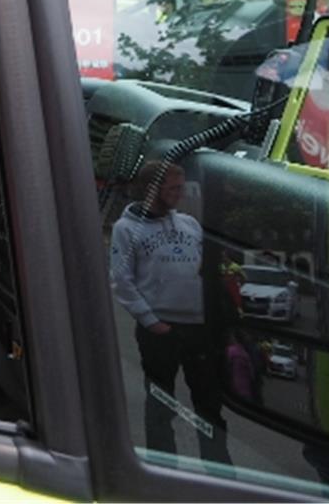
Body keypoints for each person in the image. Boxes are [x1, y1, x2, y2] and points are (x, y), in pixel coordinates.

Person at [110, 160, 231, 464]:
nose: (179, 194)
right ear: (153, 190)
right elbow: (121, 280)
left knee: (208, 403)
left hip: (198, 329)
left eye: (181, 187)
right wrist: (151, 322)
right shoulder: (126, 229)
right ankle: (163, 468)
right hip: (161, 330)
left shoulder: (189, 224)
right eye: (173, 188)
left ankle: (219, 470)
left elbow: (207, 271)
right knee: (161, 403)